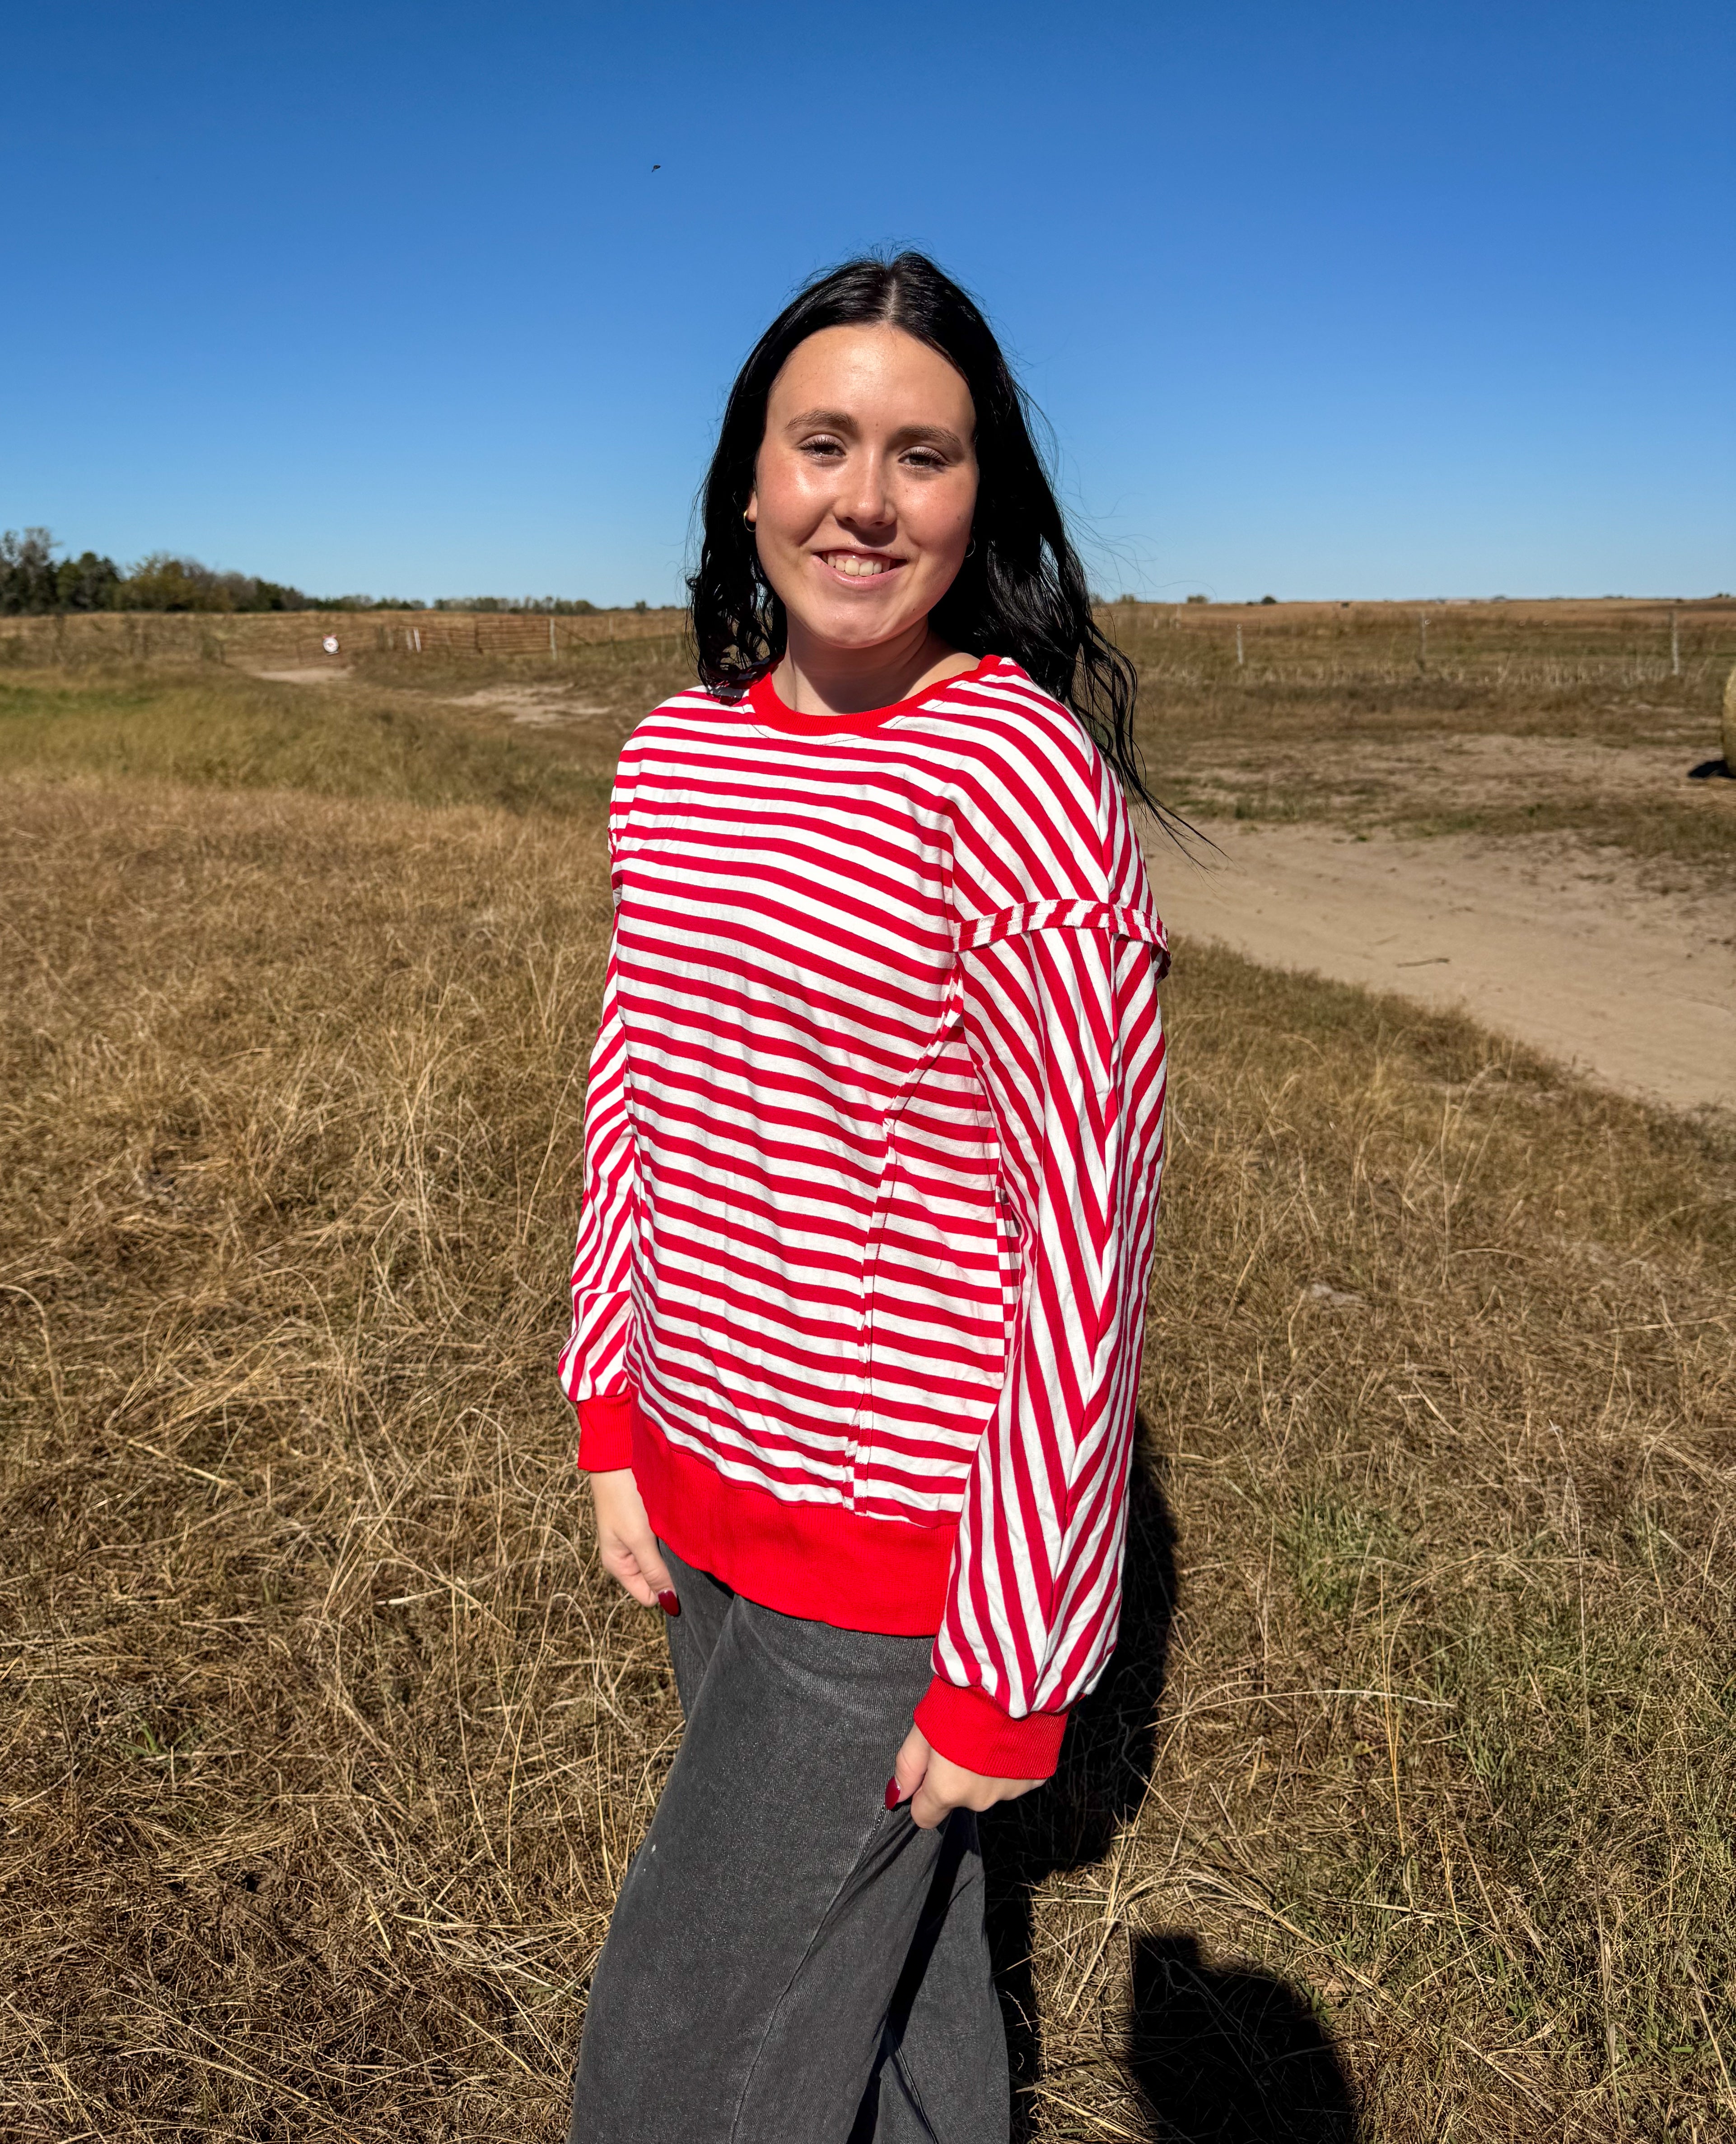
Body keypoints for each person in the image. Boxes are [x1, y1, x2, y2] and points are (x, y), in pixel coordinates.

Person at [559, 251, 1170, 2144]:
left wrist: (1011, 1653)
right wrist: (610, 1415)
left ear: (980, 500)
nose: (866, 498)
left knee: (670, 2065)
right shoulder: (675, 752)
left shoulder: (1011, 767)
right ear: (749, 476)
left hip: (902, 1557)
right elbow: (630, 1095)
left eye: (924, 454)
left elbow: (1088, 1228)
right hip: (704, 1499)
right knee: (886, 2003)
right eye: (823, 443)